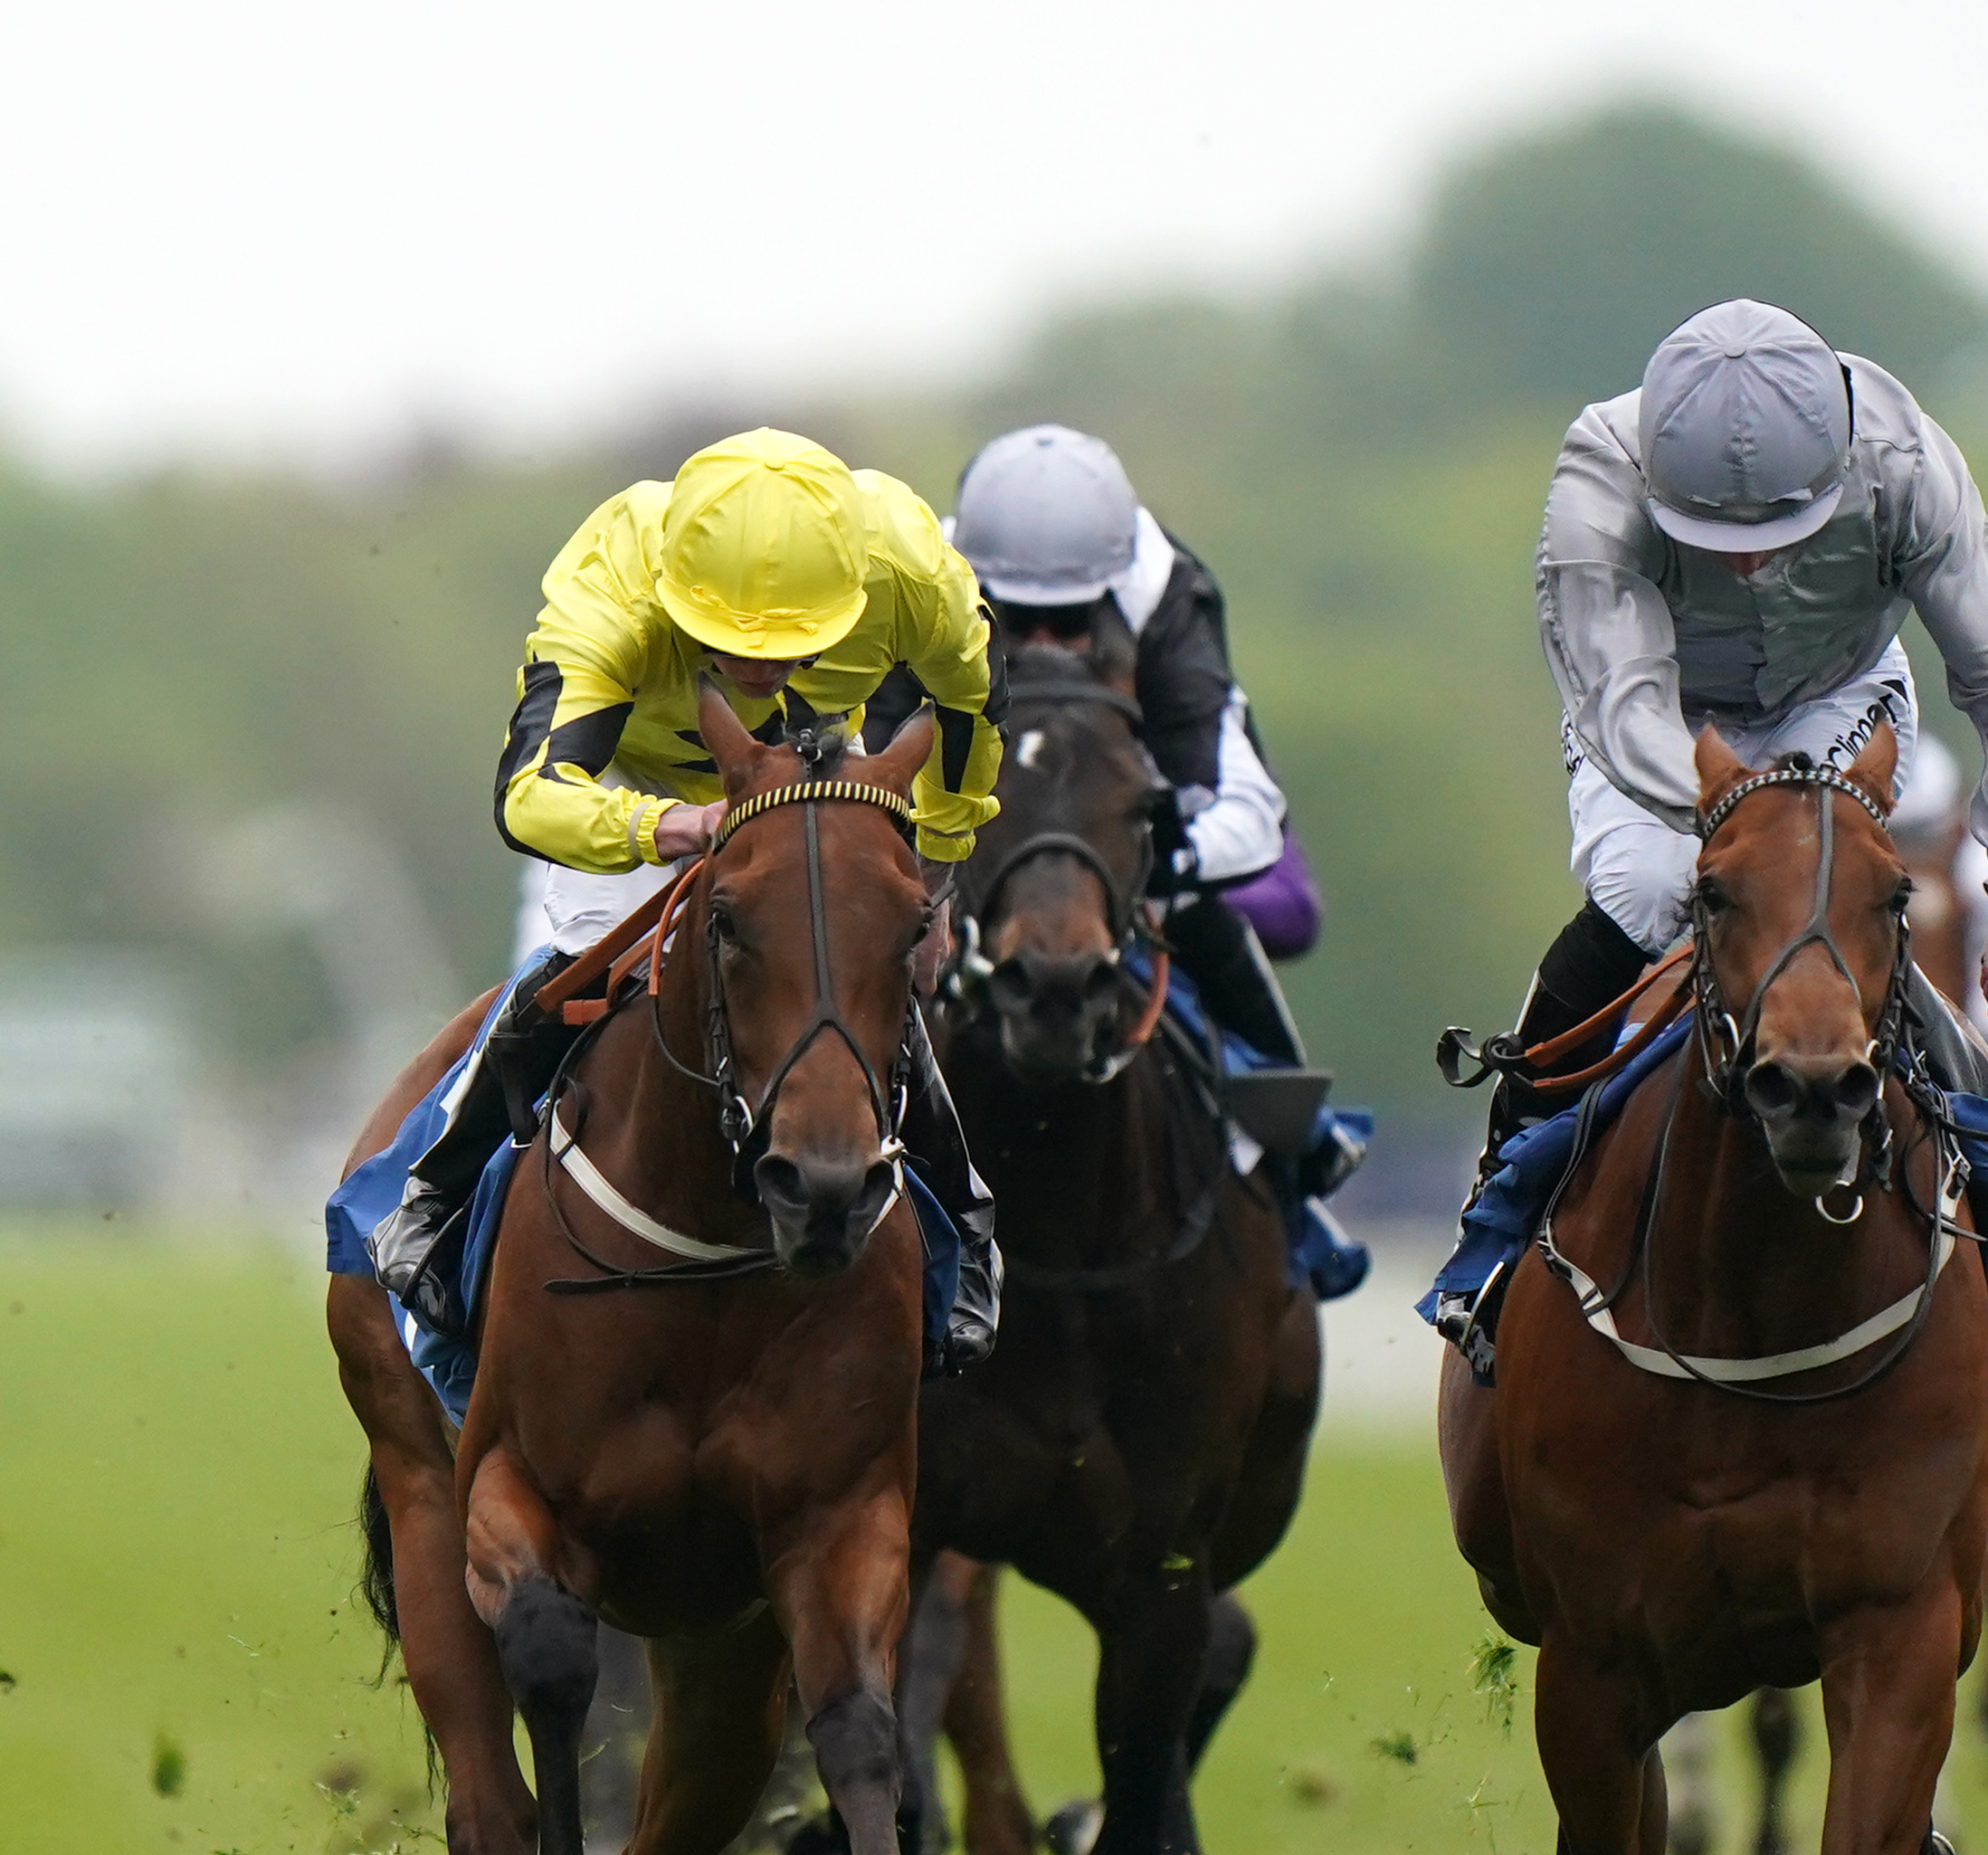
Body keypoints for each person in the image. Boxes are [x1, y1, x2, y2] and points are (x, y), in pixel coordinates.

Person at [370, 427, 1004, 1369]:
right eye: (728, 642)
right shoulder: (610, 584)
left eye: (794, 643)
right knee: (581, 963)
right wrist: (668, 829)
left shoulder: (913, 567)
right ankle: (436, 1194)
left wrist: (936, 882)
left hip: (815, 787)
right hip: (642, 799)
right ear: (674, 597)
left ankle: (968, 1228)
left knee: (855, 981)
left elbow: (970, 714)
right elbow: (530, 795)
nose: (759, 665)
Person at [1494, 297, 1988, 1152]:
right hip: (1663, 721)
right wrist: (1749, 816)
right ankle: (1502, 1184)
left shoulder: (1906, 460)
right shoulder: (1599, 473)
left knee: (1844, 894)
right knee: (1651, 890)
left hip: (1840, 693)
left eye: (1777, 532)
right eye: (1709, 534)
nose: (1745, 561)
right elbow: (1623, 705)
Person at [943, 423, 1357, 1194]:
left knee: (1279, 914)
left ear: (1111, 588)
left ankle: (1292, 1138)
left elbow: (1245, 808)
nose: (1043, 642)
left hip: (1134, 810)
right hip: (976, 825)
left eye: (1070, 621)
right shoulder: (918, 591)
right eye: (1014, 617)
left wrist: (1154, 864)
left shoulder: (1167, 600)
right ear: (977, 586)